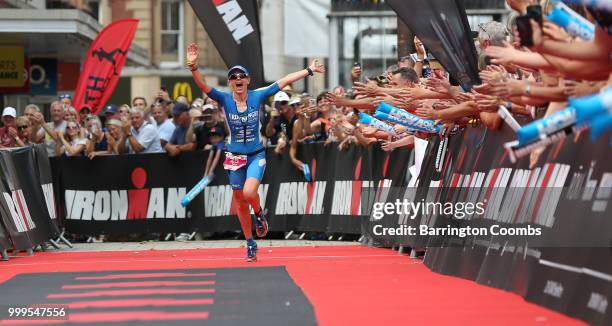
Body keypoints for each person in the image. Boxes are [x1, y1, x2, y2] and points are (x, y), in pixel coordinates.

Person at [187, 42, 325, 261]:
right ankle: (250, 243)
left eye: (241, 76)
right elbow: (203, 86)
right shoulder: (224, 98)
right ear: (230, 83)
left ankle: (260, 215)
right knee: (239, 201)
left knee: (249, 193)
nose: (238, 79)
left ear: (248, 80)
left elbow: (286, 80)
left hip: (255, 154)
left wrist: (309, 70)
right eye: (233, 77)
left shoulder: (258, 95)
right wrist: (193, 67)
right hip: (234, 156)